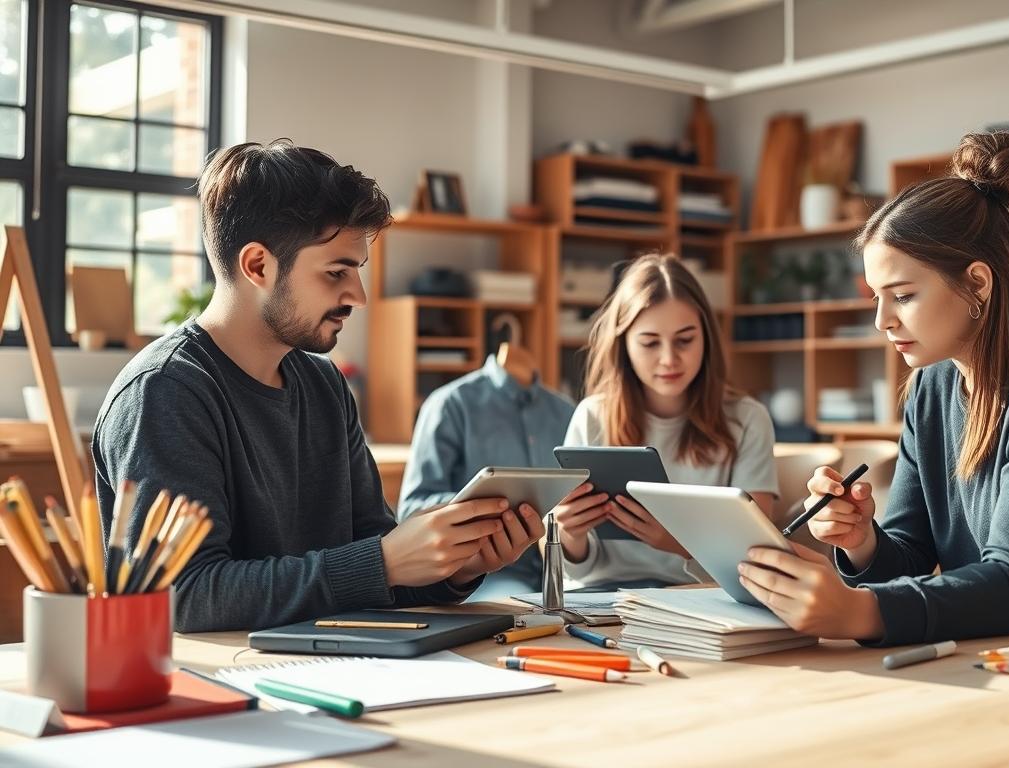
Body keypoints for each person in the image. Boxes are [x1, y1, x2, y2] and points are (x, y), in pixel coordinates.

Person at [736, 132, 1009, 645]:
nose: (882, 320)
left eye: (902, 295)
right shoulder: (933, 384)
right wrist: (861, 542)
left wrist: (862, 612)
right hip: (1003, 654)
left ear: (978, 283)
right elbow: (909, 554)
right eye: (876, 298)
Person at [92, 140, 541, 632]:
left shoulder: (325, 385)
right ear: (258, 265)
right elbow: (181, 596)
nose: (360, 297)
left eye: (358, 271)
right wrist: (383, 562)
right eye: (336, 272)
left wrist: (458, 564)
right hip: (222, 684)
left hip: (332, 667)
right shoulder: (165, 392)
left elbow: (377, 561)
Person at [554, 253, 778, 588]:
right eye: (649, 343)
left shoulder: (747, 419)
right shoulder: (592, 415)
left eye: (685, 340)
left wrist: (677, 542)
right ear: (624, 344)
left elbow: (757, 556)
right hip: (601, 600)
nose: (669, 359)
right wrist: (569, 534)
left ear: (706, 337)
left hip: (700, 599)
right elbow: (568, 567)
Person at [398, 351, 575, 600]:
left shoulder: (567, 412)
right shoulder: (450, 403)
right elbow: (411, 511)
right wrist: (484, 509)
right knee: (523, 610)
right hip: (488, 576)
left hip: (566, 570)